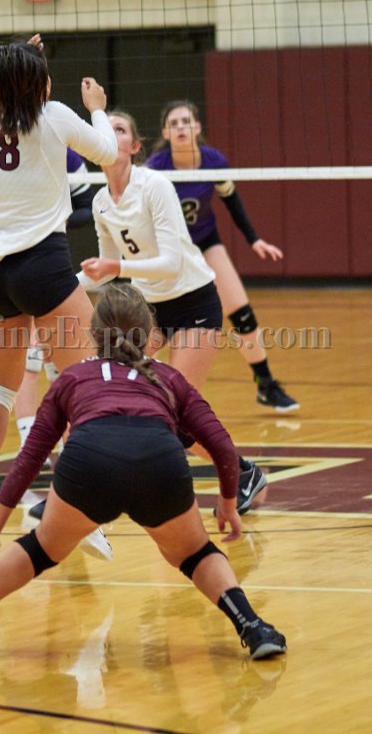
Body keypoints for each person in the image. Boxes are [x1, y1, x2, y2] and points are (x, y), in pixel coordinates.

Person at [0, 283, 287, 661]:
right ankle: (254, 628)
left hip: (89, 464)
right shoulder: (169, 378)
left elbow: (29, 459)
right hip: (158, 463)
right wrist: (228, 504)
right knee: (196, 554)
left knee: (40, 548)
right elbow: (221, 447)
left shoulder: (73, 377)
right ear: (150, 334)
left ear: (93, 334)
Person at [0, 34, 117, 550]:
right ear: (36, 84)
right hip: (40, 265)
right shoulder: (56, 117)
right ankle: (82, 509)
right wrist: (98, 108)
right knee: (87, 384)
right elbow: (109, 151)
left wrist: (21, 61)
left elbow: (8, 93)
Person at [77, 110, 267, 514]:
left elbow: (170, 264)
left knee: (175, 411)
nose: (109, 136)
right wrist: (59, 289)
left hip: (193, 300)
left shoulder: (155, 185)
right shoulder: (100, 202)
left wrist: (116, 267)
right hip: (149, 309)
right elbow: (105, 269)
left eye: (119, 129)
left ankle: (242, 472)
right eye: (103, 131)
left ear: (134, 146)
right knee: (121, 390)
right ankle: (121, 477)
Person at [146, 100, 299, 413]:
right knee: (153, 323)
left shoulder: (214, 161)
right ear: (165, 132)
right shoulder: (155, 167)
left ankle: (266, 384)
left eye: (186, 121)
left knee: (241, 312)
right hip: (169, 248)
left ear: (197, 127)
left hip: (205, 240)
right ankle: (142, 389)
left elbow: (232, 200)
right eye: (173, 123)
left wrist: (254, 239)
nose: (180, 127)